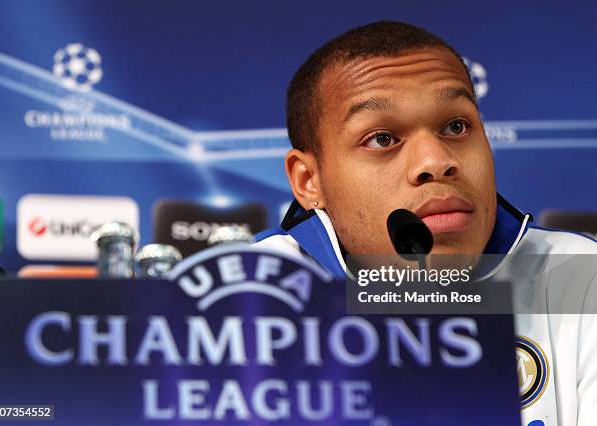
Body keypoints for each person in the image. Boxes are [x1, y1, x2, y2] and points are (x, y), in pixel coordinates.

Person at [254, 21, 597, 426]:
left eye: (456, 126)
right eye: (383, 138)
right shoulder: (243, 301)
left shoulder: (580, 279)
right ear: (309, 181)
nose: (436, 161)